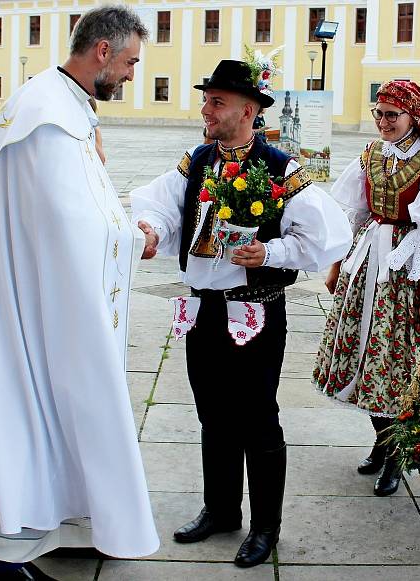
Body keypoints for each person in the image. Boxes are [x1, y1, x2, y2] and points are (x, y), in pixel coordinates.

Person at [131, 59, 352, 568]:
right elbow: (165, 209)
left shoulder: (280, 168)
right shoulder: (197, 158)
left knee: (257, 419)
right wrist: (150, 233)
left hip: (255, 313)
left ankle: (266, 528)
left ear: (248, 110)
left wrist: (269, 254)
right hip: (203, 309)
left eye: (217, 102)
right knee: (212, 413)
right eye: (206, 100)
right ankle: (222, 509)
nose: (206, 109)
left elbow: (322, 238)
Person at [0, 6, 159, 578]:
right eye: (128, 63)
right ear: (101, 51)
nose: (129, 75)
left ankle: (43, 538)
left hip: (45, 290)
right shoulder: (48, 113)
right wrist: (131, 237)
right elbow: (69, 219)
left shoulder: (62, 103)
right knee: (35, 413)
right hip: (40, 300)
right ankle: (5, 563)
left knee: (48, 415)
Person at [313, 80, 420, 497]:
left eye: (392, 115)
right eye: (379, 113)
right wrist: (337, 267)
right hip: (368, 261)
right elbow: (356, 214)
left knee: (398, 366)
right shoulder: (370, 154)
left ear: (413, 117)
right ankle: (382, 445)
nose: (383, 122)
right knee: (366, 360)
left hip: (408, 269)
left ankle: (397, 455)